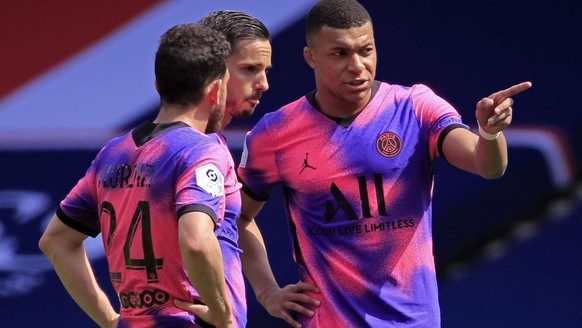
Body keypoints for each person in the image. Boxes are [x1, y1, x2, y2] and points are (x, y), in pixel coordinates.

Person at [235, 0, 533, 327]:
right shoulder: (275, 133)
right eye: (340, 54)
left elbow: (488, 166)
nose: (358, 65)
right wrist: (266, 291)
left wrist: (490, 134)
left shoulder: (416, 107)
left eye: (366, 50)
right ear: (311, 57)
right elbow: (238, 217)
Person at [38, 23, 237, 328]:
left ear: (158, 85)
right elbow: (196, 240)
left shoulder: (112, 153)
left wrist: (108, 320)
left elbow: (55, 241)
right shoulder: (201, 150)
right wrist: (223, 316)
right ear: (215, 91)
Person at [170, 10, 279, 328]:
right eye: (249, 70)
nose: (264, 84)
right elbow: (194, 240)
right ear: (210, 70)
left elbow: (237, 220)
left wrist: (267, 290)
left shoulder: (204, 142)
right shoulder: (193, 149)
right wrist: (222, 315)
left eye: (265, 70)